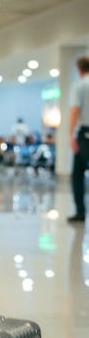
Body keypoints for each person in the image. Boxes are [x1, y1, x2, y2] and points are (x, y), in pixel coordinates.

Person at [68, 55, 89, 223]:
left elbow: (75, 111)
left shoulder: (80, 85)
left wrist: (70, 135)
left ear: (79, 69)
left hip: (85, 135)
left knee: (78, 175)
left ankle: (81, 211)